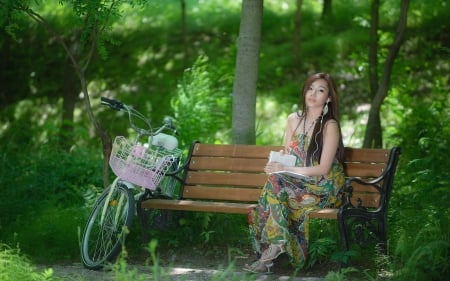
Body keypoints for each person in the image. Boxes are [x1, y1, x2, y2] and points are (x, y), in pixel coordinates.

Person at [244, 72, 346, 274]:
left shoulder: (330, 125)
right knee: (274, 181)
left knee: (275, 188)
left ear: (329, 98)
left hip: (324, 187)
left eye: (320, 90)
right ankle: (275, 248)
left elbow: (323, 169)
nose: (313, 94)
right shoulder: (293, 120)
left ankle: (270, 253)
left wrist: (286, 170)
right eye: (310, 88)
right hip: (299, 182)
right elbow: (287, 156)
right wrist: (275, 164)